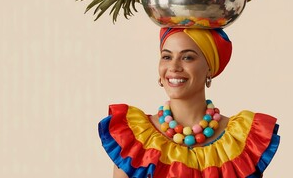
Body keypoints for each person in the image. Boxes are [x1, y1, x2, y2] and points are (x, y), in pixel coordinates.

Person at [98, 28, 280, 178]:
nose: (174, 67)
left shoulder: (241, 141)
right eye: (167, 57)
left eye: (187, 57)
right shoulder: (135, 139)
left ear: (209, 68)